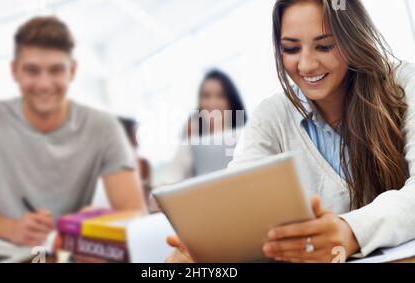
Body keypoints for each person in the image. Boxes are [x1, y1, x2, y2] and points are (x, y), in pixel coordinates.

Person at [166, 0, 415, 263]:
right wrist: (213, 233)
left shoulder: (403, 86)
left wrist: (350, 231)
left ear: (353, 38)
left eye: (324, 46)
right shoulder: (271, 115)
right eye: (291, 49)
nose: (306, 65)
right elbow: (237, 198)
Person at [0, 16, 146, 247]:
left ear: (72, 70)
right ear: (14, 71)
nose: (44, 84)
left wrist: (91, 223)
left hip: (71, 251)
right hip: (9, 250)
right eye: (32, 71)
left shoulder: (104, 127)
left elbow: (134, 213)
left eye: (56, 70)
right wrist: (12, 228)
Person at [164, 70, 247, 184]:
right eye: (206, 96)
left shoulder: (247, 135)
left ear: (231, 101)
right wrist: (191, 141)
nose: (212, 103)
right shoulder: (191, 140)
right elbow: (171, 182)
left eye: (220, 96)